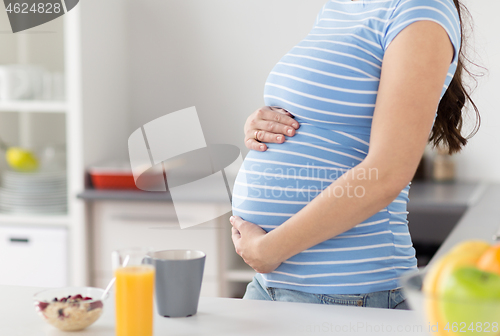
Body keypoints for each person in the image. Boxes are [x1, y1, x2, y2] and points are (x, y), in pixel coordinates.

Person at [229, 0, 480, 309]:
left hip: (349, 295)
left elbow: (388, 172)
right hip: (272, 284)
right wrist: (260, 124)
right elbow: (324, 113)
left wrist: (270, 250)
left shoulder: (420, 9)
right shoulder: (339, 7)